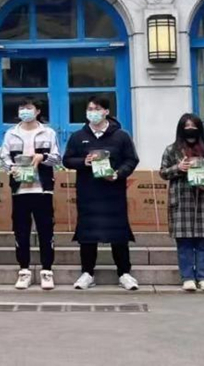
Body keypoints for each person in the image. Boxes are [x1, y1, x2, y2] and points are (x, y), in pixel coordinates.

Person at [63, 96, 140, 291]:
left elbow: (131, 160)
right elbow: (67, 160)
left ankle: (124, 273)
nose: (93, 113)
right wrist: (84, 162)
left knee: (118, 235)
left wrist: (118, 174)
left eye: (97, 109)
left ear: (106, 111)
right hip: (88, 192)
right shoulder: (78, 136)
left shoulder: (121, 136)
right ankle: (87, 273)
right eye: (89, 109)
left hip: (113, 192)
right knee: (87, 235)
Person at [0, 97, 60, 291]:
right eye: (21, 108)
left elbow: (57, 158)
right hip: (20, 190)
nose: (24, 111)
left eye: (28, 108)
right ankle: (24, 271)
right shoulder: (11, 134)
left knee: (45, 231)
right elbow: (3, 158)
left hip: (42, 189)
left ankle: (47, 271)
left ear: (37, 111)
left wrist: (42, 157)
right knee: (21, 231)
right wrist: (12, 169)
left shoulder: (48, 132)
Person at [159, 114, 204, 292]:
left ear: (199, 128)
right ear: (181, 128)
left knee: (203, 242)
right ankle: (187, 277)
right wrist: (178, 168)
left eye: (193, 125)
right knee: (184, 242)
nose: (190, 129)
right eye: (186, 126)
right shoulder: (172, 150)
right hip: (181, 200)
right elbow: (163, 172)